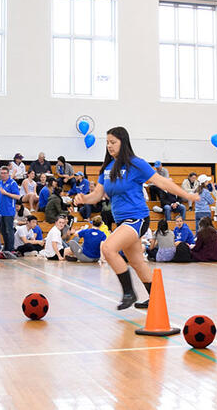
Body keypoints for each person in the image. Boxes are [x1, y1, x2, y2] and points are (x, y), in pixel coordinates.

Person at [73, 126, 200, 310]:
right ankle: (156, 298)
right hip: (123, 221)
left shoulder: (136, 164)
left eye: (113, 142)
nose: (109, 146)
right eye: (107, 142)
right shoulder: (107, 169)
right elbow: (98, 194)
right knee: (137, 262)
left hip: (137, 219)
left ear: (123, 143)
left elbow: (162, 182)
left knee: (108, 249)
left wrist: (186, 196)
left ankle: (128, 292)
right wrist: (84, 198)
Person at [0, 166, 21, 254]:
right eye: (1, 173)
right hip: (1, 211)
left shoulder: (12, 183)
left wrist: (6, 193)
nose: (3, 175)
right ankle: (6, 247)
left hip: (9, 210)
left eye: (4, 173)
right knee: (2, 230)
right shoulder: (0, 183)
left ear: (8, 173)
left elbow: (18, 196)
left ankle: (11, 249)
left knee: (9, 230)